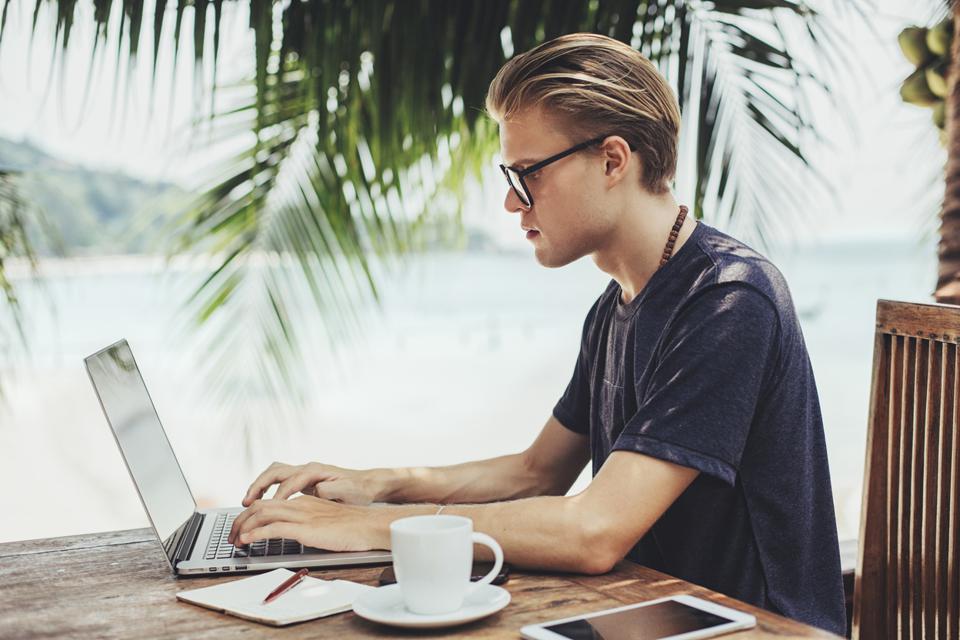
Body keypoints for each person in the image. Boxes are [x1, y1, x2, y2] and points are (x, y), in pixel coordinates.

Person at [228, 32, 846, 634]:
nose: (510, 202)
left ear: (612, 160)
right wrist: (379, 484)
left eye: (528, 173)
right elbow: (536, 471)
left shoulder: (728, 299)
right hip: (652, 614)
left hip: (755, 627)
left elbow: (595, 531)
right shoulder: (617, 307)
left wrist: (368, 529)